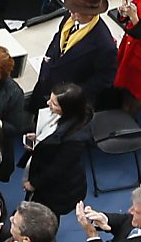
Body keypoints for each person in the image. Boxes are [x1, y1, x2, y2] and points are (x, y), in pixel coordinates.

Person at [21, 83, 93, 216]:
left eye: (54, 103)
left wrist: (34, 183)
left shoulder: (76, 138)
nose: (48, 103)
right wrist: (39, 138)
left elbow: (57, 167)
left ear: (67, 108)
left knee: (47, 214)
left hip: (57, 188)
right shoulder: (69, 116)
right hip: (46, 174)